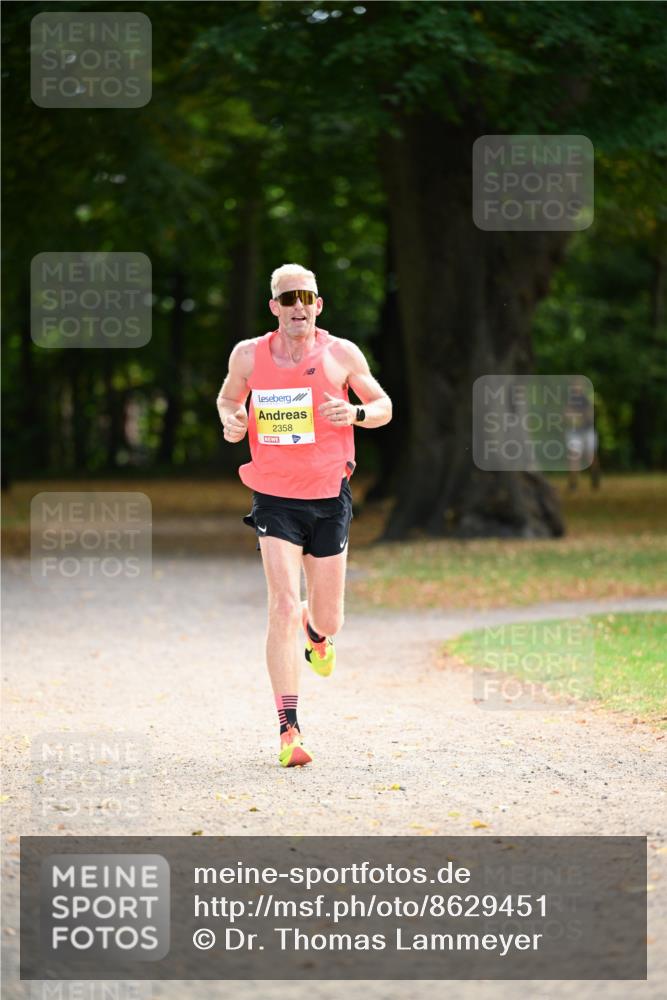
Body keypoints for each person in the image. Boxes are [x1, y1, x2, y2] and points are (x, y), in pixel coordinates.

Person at [217, 263, 392, 767]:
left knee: (327, 614)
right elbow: (229, 398)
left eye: (306, 298)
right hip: (272, 495)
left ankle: (318, 638)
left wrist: (355, 413)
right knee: (281, 605)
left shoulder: (340, 354)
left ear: (319, 304)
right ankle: (288, 730)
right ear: (274, 307)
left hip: (327, 494)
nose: (298, 306)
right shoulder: (248, 355)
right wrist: (232, 419)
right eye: (288, 298)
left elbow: (383, 404)